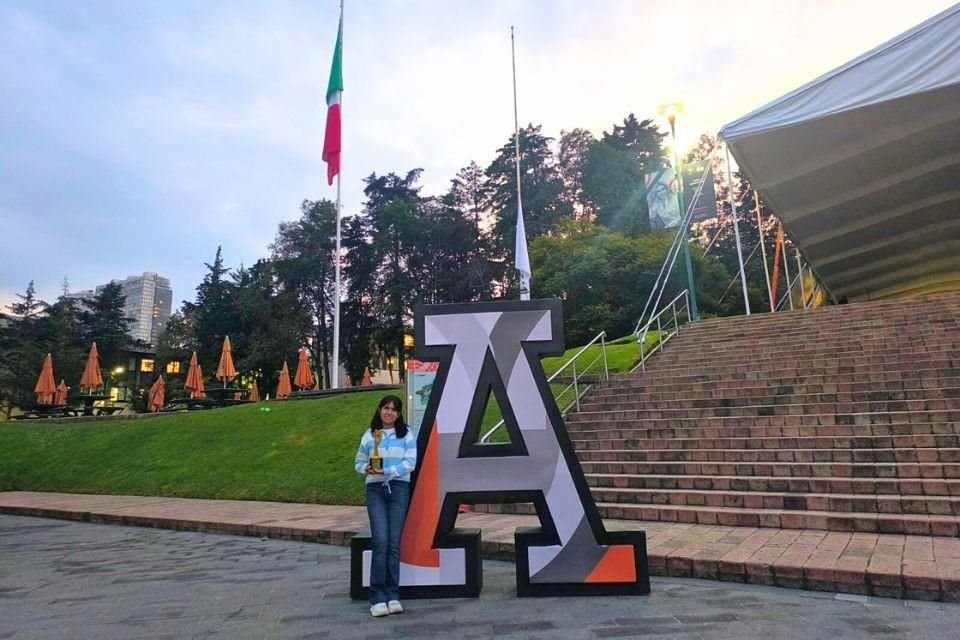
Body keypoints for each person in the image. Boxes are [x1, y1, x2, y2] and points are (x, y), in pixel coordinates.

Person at [354, 394, 417, 618]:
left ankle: (393, 595)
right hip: (376, 490)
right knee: (380, 540)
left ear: (399, 414)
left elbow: (410, 462)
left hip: (398, 489)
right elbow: (359, 463)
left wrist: (388, 471)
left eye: (393, 409)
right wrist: (367, 470)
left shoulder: (407, 434)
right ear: (379, 410)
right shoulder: (370, 435)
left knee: (393, 543)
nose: (389, 412)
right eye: (385, 408)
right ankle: (377, 597)